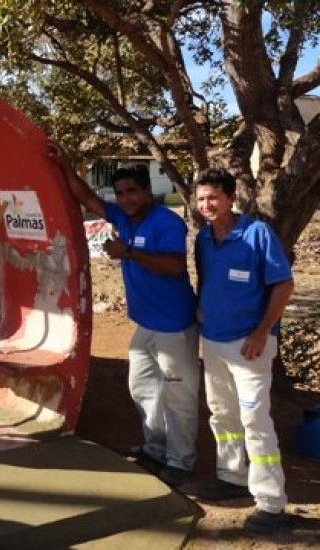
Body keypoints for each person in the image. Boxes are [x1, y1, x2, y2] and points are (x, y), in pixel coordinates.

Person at [50, 144, 200, 488]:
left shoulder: (166, 222)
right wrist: (63, 164)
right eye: (120, 194)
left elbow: (176, 266)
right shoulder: (121, 217)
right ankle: (156, 448)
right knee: (142, 387)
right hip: (146, 325)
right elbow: (87, 197)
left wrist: (128, 252)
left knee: (178, 394)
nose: (126, 199)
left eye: (132, 191)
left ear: (147, 191)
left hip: (174, 326)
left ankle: (181, 460)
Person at [193, 168, 294, 535]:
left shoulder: (257, 234)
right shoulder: (203, 239)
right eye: (201, 198)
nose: (206, 205)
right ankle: (231, 477)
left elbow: (283, 284)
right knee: (222, 414)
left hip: (250, 346)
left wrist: (261, 332)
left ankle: (271, 502)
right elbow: (206, 277)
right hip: (214, 341)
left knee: (255, 421)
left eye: (213, 197)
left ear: (232, 198)